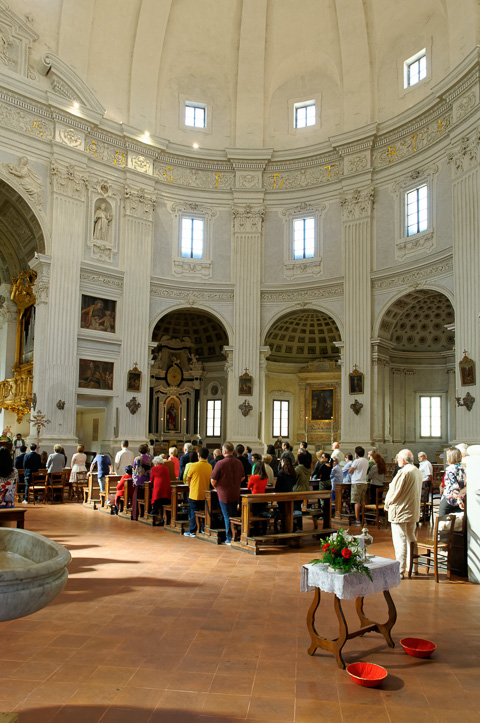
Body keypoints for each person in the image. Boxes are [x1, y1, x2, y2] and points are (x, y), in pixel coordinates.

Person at [384, 449, 422, 578]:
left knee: (400, 539)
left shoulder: (404, 472)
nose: (397, 460)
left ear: (403, 459)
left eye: (398, 458)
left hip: (400, 510)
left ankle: (400, 570)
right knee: (411, 537)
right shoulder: (417, 471)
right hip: (412, 508)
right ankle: (413, 566)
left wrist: (387, 503)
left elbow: (396, 491)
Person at [210, 442, 245, 545]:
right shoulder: (238, 462)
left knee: (227, 516)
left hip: (224, 493)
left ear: (224, 451)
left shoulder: (220, 463)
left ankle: (229, 538)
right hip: (235, 492)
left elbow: (213, 479)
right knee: (233, 515)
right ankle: (235, 535)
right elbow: (243, 477)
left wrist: (217, 487)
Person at [184, 448, 212, 536]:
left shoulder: (194, 465)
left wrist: (190, 487)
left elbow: (188, 478)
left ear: (199, 455)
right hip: (205, 493)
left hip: (194, 492)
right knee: (203, 511)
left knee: (193, 512)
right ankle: (203, 528)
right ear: (207, 456)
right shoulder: (209, 466)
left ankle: (193, 530)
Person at [439, 447, 466, 515]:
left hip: (450, 499)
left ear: (451, 457)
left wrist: (459, 500)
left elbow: (454, 487)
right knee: (458, 523)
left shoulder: (450, 469)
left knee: (442, 522)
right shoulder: (463, 468)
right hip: (462, 497)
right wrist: (460, 498)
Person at [347, 446, 369, 525]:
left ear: (356, 454)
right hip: (364, 482)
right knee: (363, 501)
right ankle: (364, 519)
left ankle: (358, 520)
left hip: (357, 482)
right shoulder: (366, 461)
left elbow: (350, 471)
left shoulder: (357, 461)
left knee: (356, 502)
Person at [131, 444, 151, 521]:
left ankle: (136, 514)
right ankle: (144, 513)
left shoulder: (137, 458)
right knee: (145, 497)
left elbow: (134, 468)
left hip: (138, 480)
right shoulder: (149, 458)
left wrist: (134, 478)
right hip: (146, 480)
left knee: (137, 497)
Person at [150, 457, 172, 524]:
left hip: (158, 489)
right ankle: (166, 519)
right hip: (166, 488)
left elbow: (151, 479)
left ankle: (160, 519)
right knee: (164, 503)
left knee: (158, 504)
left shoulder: (154, 468)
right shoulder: (166, 468)